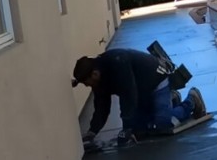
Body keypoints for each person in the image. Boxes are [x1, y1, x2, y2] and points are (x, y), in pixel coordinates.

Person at [73, 49, 206, 149]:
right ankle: (171, 99)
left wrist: (126, 128)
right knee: (140, 130)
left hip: (156, 81)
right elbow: (101, 106)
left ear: (94, 74)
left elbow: (128, 94)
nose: (87, 86)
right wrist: (92, 132)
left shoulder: (117, 62)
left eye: (86, 83)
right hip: (141, 91)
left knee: (162, 123)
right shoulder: (98, 80)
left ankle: (192, 101)